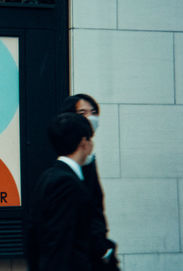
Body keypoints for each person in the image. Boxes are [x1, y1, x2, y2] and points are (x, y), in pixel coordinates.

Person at [27, 112, 97, 271]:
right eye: (90, 139)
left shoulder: (49, 176)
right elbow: (60, 243)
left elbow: (33, 236)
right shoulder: (66, 183)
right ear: (83, 142)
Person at [60, 94, 119, 271]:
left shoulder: (89, 158)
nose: (90, 117)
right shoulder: (65, 164)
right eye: (83, 112)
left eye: (93, 112)